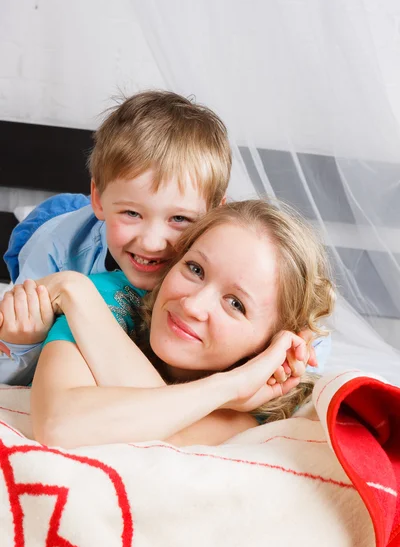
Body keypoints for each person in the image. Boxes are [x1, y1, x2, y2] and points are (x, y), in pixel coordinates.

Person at [27, 200, 335, 448]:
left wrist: (232, 386)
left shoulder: (264, 395)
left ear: (271, 342)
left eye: (235, 304)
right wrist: (76, 288)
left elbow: (166, 439)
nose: (192, 305)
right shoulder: (101, 302)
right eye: (195, 268)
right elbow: (59, 423)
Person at [0, 90, 232, 385]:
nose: (151, 243)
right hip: (58, 226)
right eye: (132, 214)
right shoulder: (56, 251)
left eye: (179, 219)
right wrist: (24, 342)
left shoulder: (227, 251)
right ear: (98, 199)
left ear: (214, 213)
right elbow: (11, 369)